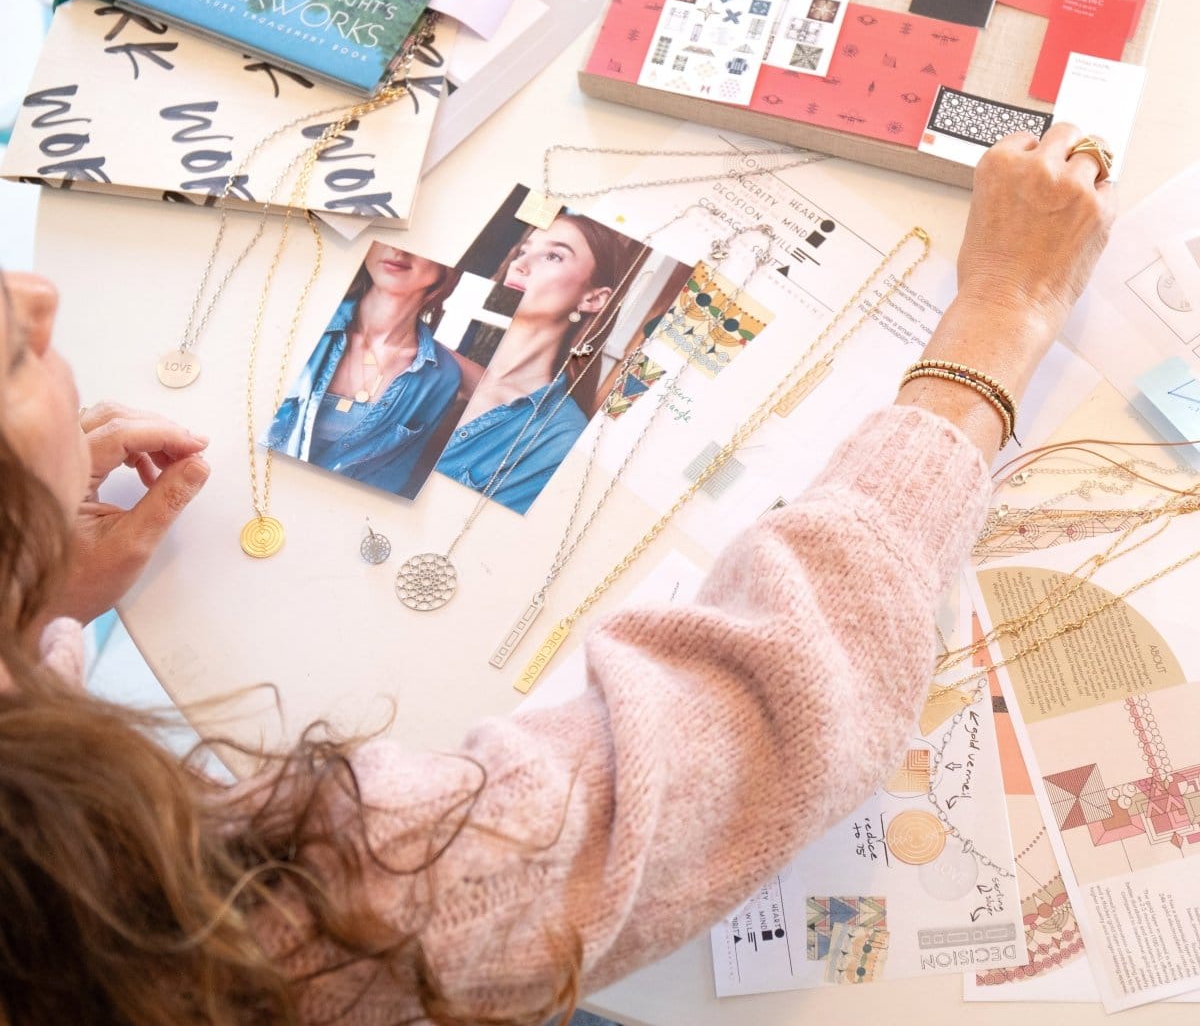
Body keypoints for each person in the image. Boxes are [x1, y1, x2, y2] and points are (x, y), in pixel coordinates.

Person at [0, 125, 1114, 1024]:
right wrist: (997, 323)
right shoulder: (184, 922)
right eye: (9, 356)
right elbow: (744, 741)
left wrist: (34, 599)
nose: (35, 298)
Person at [435, 211, 644, 513]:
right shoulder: (425, 357)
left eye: (553, 256)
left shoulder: (560, 439)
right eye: (524, 250)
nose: (520, 265)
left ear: (593, 299)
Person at [267, 243, 465, 495]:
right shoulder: (306, 314)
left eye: (423, 244)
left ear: (449, 269)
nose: (400, 251)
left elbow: (390, 479)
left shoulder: (442, 376)